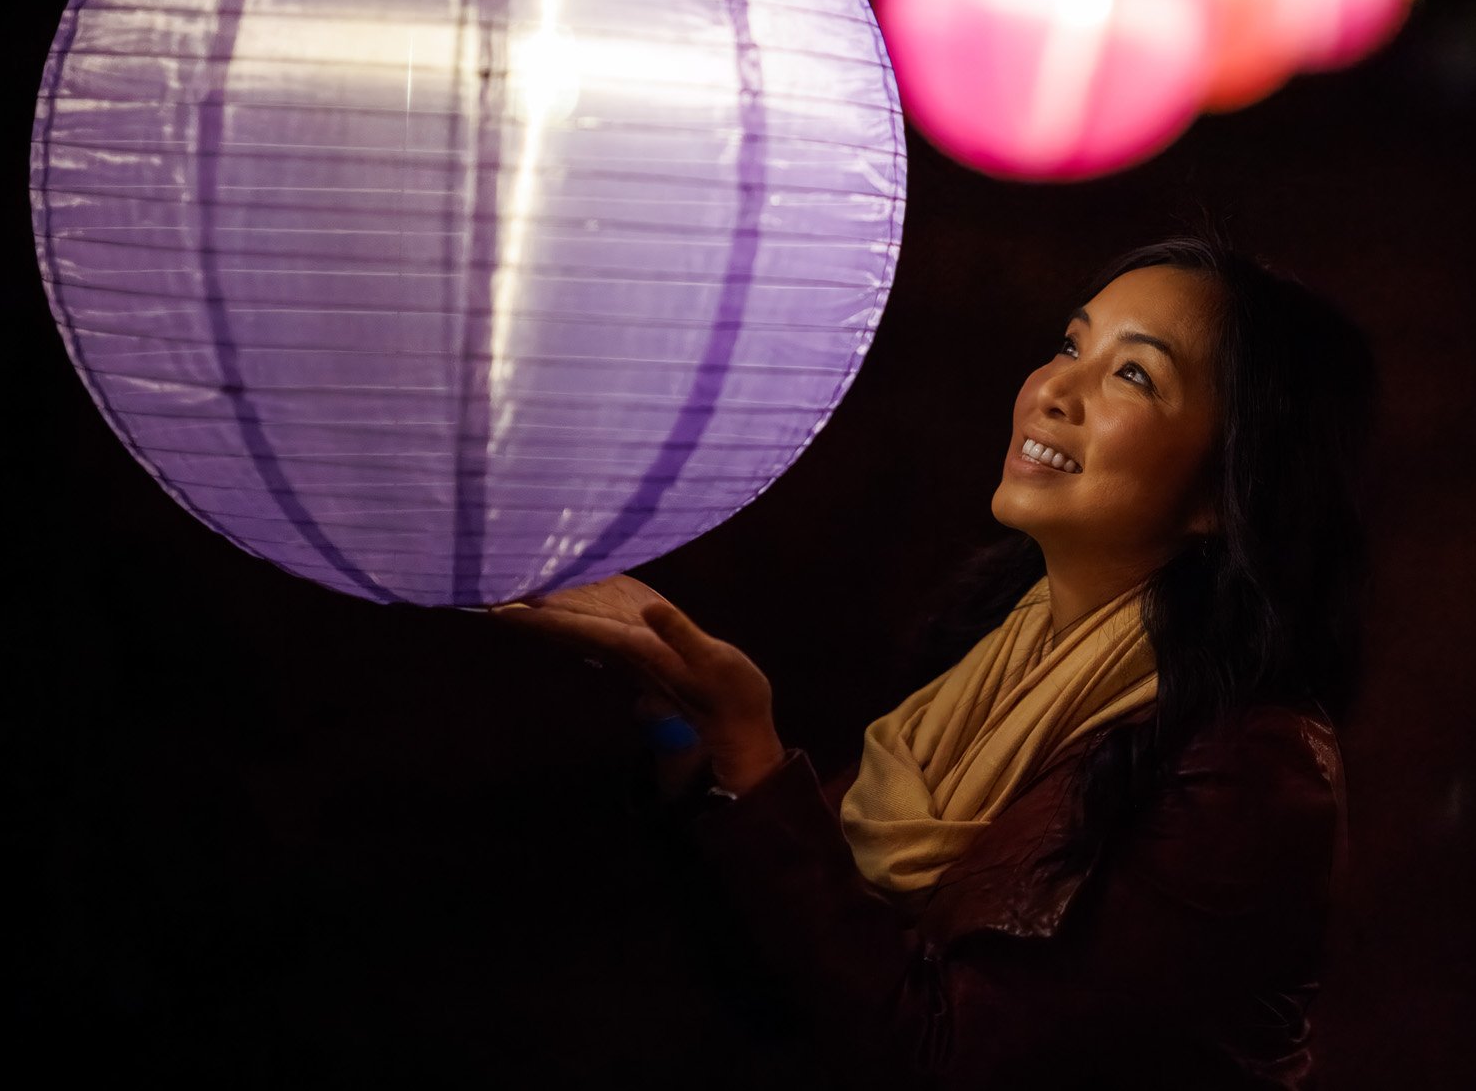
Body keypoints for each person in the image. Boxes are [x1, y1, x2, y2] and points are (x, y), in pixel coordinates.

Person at [493, 218, 1379, 1089]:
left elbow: (946, 1059)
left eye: (1134, 375)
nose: (1053, 392)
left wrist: (755, 753)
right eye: (1071, 346)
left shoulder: (1248, 770)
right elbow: (781, 979)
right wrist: (687, 733)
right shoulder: (987, 661)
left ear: (1229, 490)